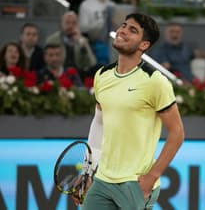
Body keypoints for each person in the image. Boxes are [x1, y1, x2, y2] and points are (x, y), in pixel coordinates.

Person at [77, 13, 184, 209]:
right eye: (124, 26)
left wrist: (151, 177)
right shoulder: (102, 75)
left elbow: (177, 133)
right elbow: (99, 124)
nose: (123, 30)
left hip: (134, 182)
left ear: (144, 45)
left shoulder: (155, 81)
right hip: (101, 180)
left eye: (132, 30)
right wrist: (87, 172)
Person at [45, 11, 96, 78]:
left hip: (78, 76)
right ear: (61, 24)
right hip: (56, 76)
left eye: (74, 23)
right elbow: (46, 62)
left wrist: (82, 45)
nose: (70, 26)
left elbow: (91, 63)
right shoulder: (52, 40)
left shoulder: (82, 40)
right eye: (67, 22)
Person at [79, 0, 115, 65]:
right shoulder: (86, 4)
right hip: (94, 43)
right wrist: (98, 25)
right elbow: (83, 28)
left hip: (112, 44)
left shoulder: (111, 4)